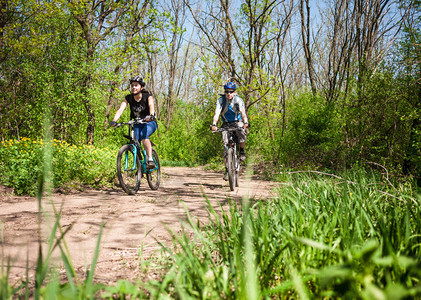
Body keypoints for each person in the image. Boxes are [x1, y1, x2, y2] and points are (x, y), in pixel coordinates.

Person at [110, 75, 158, 168]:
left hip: (149, 123)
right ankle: (139, 168)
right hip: (137, 123)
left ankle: (150, 159)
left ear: (141, 87)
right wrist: (114, 120)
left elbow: (151, 105)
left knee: (144, 137)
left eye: (136, 85)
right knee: (135, 143)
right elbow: (121, 109)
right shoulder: (128, 98)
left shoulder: (147, 96)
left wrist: (151, 115)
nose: (134, 87)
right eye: (132, 85)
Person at [211, 81, 249, 180]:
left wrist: (245, 123)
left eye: (231, 91)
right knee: (225, 147)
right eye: (227, 91)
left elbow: (243, 113)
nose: (229, 94)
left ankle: (241, 151)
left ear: (234, 92)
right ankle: (227, 170)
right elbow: (216, 114)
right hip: (226, 124)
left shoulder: (238, 100)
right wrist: (214, 124)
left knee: (242, 132)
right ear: (225, 92)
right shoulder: (221, 100)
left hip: (238, 122)